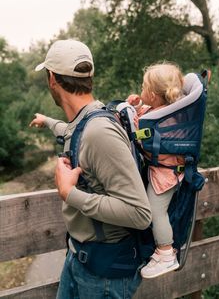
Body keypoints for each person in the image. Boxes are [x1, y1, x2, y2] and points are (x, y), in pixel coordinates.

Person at [30, 39, 152, 299]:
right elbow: (70, 131)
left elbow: (140, 213)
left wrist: (69, 193)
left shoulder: (99, 132)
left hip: (104, 277)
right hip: (79, 260)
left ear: (52, 79)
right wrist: (48, 121)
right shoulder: (86, 118)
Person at [127, 62, 185, 279]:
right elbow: (146, 113)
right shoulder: (165, 111)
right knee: (155, 211)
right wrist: (136, 105)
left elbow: (140, 133)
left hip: (165, 175)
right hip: (165, 169)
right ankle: (163, 251)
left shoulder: (161, 119)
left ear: (151, 94)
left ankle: (165, 252)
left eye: (143, 88)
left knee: (155, 212)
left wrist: (130, 113)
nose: (140, 91)